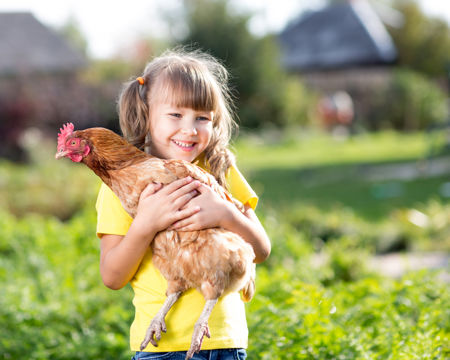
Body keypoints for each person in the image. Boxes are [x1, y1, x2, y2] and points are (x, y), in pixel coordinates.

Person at [95, 48, 271, 360]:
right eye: (176, 115)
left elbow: (261, 250)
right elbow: (112, 276)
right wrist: (145, 224)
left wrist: (227, 213)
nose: (189, 129)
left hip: (222, 344)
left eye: (202, 118)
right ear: (147, 113)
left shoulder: (219, 169)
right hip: (161, 349)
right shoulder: (121, 184)